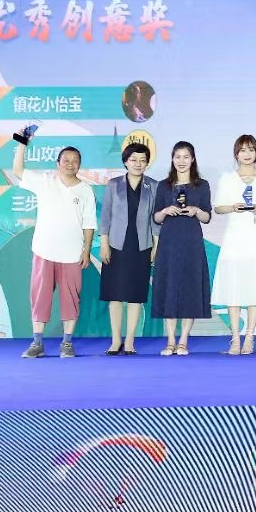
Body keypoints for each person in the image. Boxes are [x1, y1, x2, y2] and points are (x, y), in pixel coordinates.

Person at [10, 126, 96, 359]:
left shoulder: (86, 190)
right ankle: (37, 343)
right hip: (44, 251)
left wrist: (86, 251)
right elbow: (18, 170)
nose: (70, 164)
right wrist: (22, 143)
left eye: (75, 161)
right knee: (40, 297)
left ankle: (67, 343)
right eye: (66, 160)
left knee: (71, 300)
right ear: (58, 163)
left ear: (79, 165)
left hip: (72, 254)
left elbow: (89, 223)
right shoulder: (45, 182)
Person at [211, 134, 256, 355]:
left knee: (254, 284)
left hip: (255, 236)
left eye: (251, 149)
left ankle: (249, 337)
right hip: (233, 237)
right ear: (236, 154)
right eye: (242, 150)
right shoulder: (228, 178)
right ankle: (235, 339)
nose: (247, 154)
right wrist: (232, 207)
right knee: (233, 285)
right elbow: (218, 207)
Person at [149, 141, 212, 355]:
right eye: (178, 157)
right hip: (169, 243)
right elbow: (156, 218)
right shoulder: (164, 185)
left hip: (192, 242)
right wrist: (166, 210)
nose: (182, 161)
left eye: (186, 157)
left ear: (192, 159)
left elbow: (207, 217)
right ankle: (170, 341)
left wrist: (196, 210)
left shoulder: (202, 185)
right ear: (172, 159)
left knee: (190, 288)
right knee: (169, 287)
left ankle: (183, 340)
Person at [98, 142, 158, 354]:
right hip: (115, 245)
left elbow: (156, 221)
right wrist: (104, 244)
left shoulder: (154, 186)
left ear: (147, 163)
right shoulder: (113, 184)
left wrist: (156, 247)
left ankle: (130, 340)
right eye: (134, 160)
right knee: (115, 295)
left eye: (143, 160)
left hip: (142, 245)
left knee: (135, 295)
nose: (138, 164)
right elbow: (105, 216)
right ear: (125, 162)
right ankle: (116, 340)